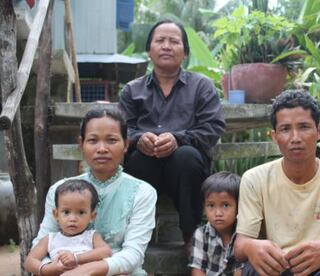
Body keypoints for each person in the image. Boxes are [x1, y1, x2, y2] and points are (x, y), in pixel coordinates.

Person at [118, 20, 226, 248]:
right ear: (149, 50)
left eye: (174, 41)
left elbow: (212, 126)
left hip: (187, 172)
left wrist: (178, 139)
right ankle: (135, 239)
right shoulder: (132, 90)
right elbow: (122, 129)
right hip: (145, 168)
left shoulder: (201, 86)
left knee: (186, 156)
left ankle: (191, 238)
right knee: (137, 159)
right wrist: (139, 139)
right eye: (160, 40)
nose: (166, 46)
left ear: (185, 52)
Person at [234, 90, 320, 276]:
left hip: (319, 268)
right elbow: (240, 245)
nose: (295, 138)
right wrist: (251, 247)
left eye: (304, 127)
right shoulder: (254, 179)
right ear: (274, 136)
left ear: (319, 131)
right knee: (254, 267)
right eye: (285, 129)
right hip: (274, 268)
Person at [32, 108, 157, 276]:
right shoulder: (59, 189)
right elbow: (41, 245)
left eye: (111, 140)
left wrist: (86, 271)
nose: (102, 149)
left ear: (126, 144)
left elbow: (133, 254)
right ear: (81, 144)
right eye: (93, 140)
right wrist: (53, 268)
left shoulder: (142, 192)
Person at [24, 179, 112, 275]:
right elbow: (30, 261)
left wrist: (76, 258)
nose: (72, 218)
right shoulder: (50, 239)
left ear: (92, 216)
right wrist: (46, 269)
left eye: (81, 212)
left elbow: (106, 251)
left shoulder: (91, 236)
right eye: (66, 212)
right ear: (56, 214)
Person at [188, 172, 243, 276]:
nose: (218, 213)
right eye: (211, 205)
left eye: (226, 205)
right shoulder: (201, 234)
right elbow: (197, 270)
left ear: (239, 206)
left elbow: (240, 270)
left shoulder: (242, 234)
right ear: (204, 207)